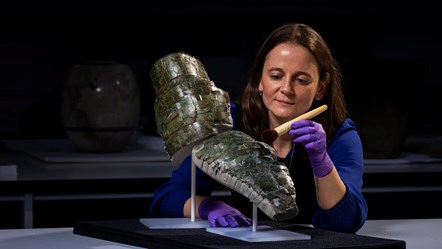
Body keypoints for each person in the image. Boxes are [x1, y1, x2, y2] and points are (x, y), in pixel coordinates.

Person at [149, 22, 368, 234]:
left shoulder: (340, 135)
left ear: (321, 87)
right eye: (276, 76)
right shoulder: (231, 122)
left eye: (301, 80)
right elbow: (168, 197)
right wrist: (208, 207)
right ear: (260, 80)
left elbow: (345, 225)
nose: (286, 89)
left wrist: (321, 162)